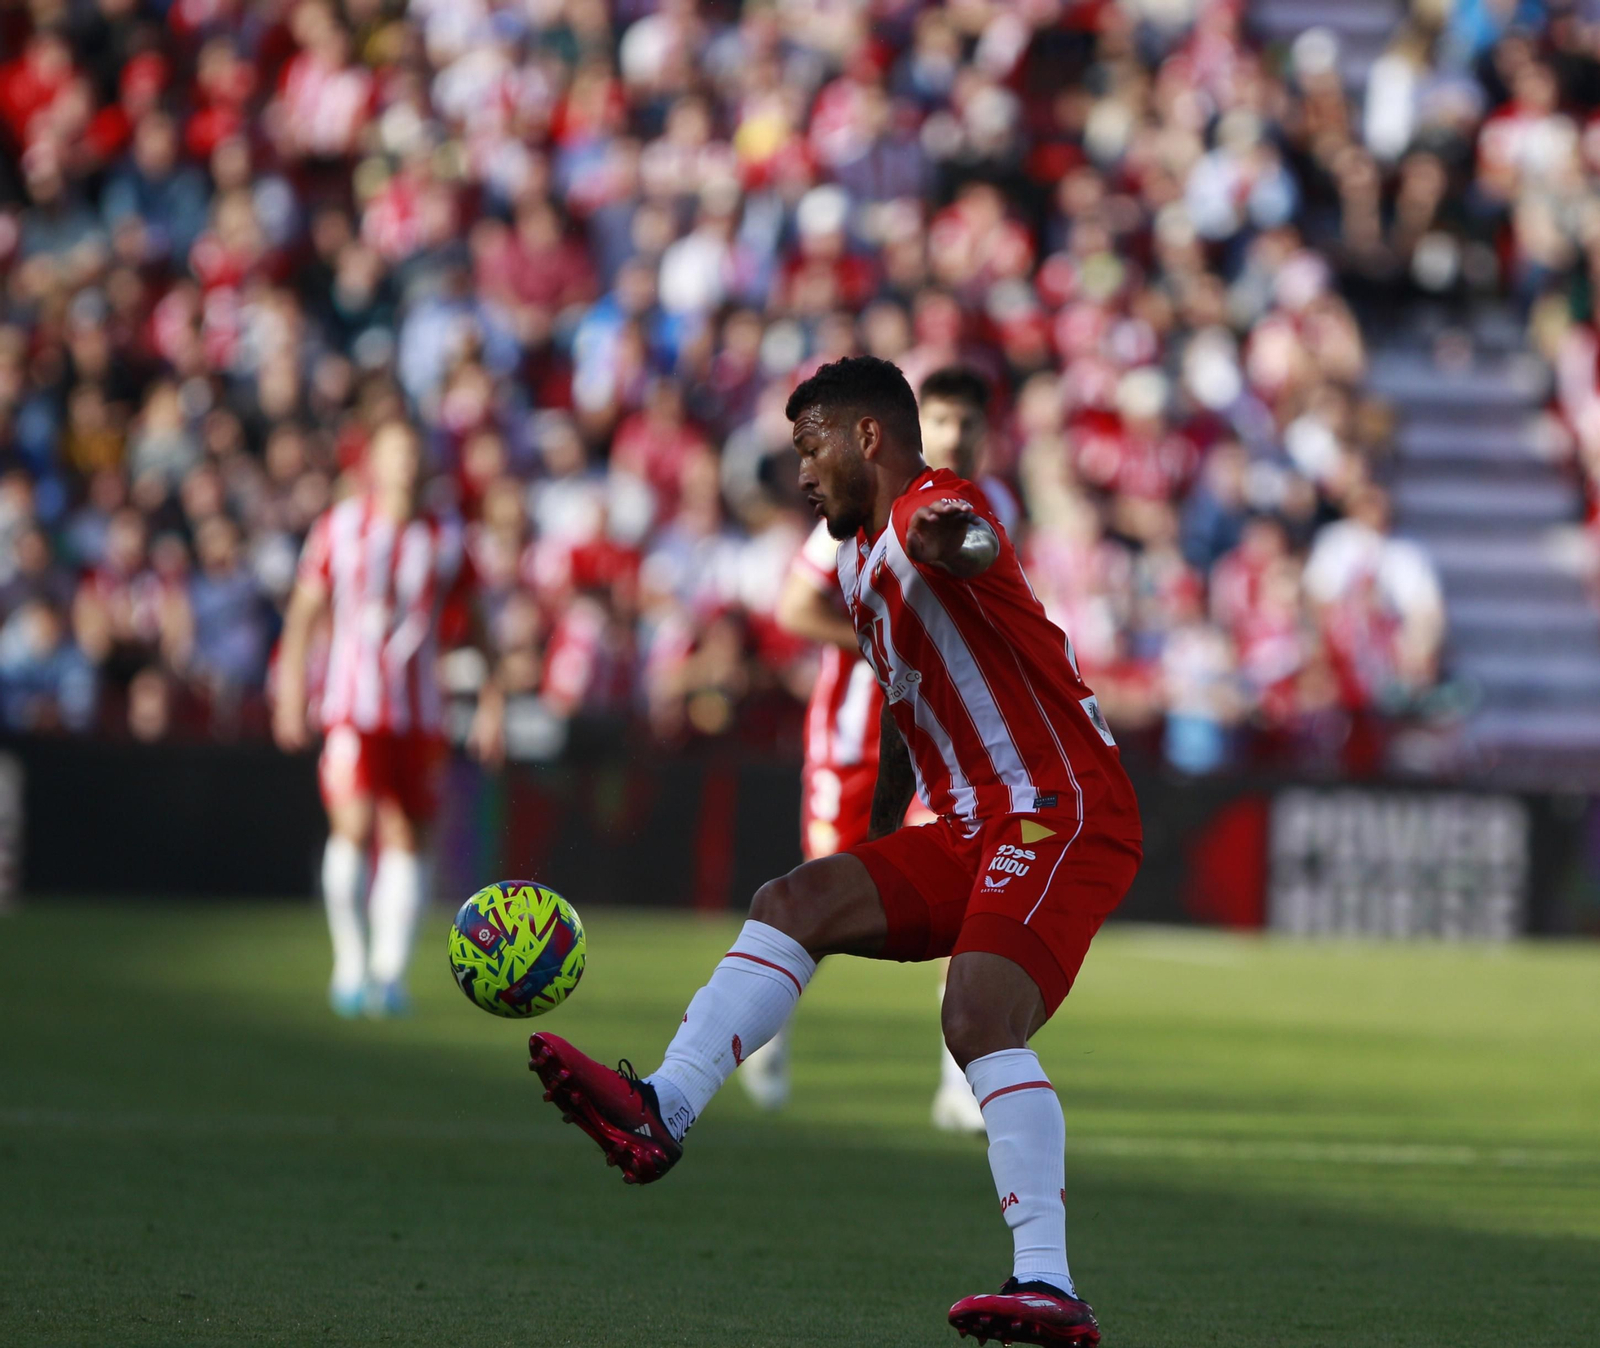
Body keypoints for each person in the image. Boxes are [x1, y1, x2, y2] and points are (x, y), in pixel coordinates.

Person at [528, 358, 1142, 1347]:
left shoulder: (927, 508)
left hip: (1058, 807)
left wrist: (969, 544)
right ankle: (660, 1112)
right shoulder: (856, 560)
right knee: (792, 901)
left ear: (866, 439)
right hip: (960, 819)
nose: (800, 474)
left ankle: (1049, 1283)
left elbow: (968, 540)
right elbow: (918, 705)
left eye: (809, 447)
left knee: (978, 1011)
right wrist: (892, 817)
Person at [740, 367, 1013, 1134]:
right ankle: (765, 1032)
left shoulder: (994, 509)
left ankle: (961, 1088)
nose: (956, 438)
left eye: (968, 425)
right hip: (850, 743)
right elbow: (794, 607)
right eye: (944, 423)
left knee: (970, 905)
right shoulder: (857, 504)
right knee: (824, 903)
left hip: (940, 750)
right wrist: (880, 645)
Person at [274, 421, 503, 1017]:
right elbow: (303, 614)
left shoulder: (447, 538)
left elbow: (480, 627)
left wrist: (492, 704)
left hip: (421, 712)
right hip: (352, 706)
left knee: (408, 838)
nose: (405, 462)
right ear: (372, 462)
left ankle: (389, 973)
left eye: (412, 451)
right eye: (393, 451)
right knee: (350, 826)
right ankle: (349, 966)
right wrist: (290, 693)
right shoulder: (340, 527)